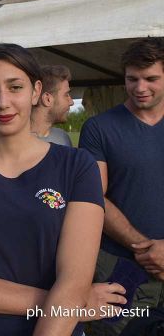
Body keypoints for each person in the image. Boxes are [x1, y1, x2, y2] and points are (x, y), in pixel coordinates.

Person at [0, 43, 109, 335]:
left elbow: (74, 278)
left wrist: (69, 299)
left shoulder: (77, 166)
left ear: (36, 91)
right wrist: (69, 303)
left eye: (15, 87)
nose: (3, 102)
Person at [79, 37, 164, 335]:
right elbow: (94, 197)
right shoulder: (99, 128)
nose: (141, 88)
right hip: (121, 266)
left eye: (151, 78)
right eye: (132, 79)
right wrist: (145, 249)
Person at [31, 64, 74, 147]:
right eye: (66, 95)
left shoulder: (63, 138)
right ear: (47, 99)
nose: (71, 102)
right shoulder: (15, 142)